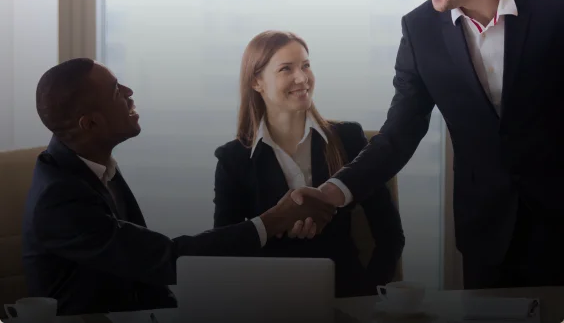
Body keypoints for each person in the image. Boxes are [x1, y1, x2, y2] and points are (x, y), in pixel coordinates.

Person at [292, 0, 564, 289]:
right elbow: (400, 132)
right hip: (487, 236)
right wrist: (336, 191)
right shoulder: (419, 31)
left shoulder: (555, 8)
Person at [22, 58, 335, 316]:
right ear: (90, 123)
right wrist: (274, 220)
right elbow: (167, 261)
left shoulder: (95, 166)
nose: (130, 92)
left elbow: (144, 272)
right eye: (117, 91)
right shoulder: (59, 199)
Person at [213, 30, 404, 297]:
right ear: (257, 82)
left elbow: (390, 235)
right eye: (285, 69)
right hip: (269, 300)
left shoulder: (348, 139)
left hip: (346, 295)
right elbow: (226, 248)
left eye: (305, 66)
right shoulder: (233, 159)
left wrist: (368, 294)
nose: (302, 78)